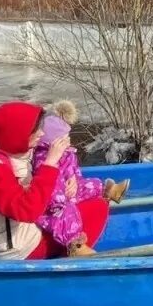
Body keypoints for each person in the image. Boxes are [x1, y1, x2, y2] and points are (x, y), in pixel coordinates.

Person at [0, 101, 94, 260]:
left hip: (24, 230)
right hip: (16, 248)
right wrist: (49, 163)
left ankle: (73, 247)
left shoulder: (17, 151)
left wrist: (72, 179)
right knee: (93, 211)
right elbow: (26, 211)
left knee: (81, 204)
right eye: (36, 130)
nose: (42, 133)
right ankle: (74, 257)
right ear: (18, 133)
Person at [29, 100, 129, 253]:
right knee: (66, 214)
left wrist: (75, 181)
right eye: (65, 138)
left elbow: (73, 172)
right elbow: (52, 189)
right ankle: (75, 245)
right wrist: (61, 201)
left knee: (93, 183)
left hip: (68, 192)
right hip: (53, 205)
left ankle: (110, 191)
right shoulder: (44, 160)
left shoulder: (66, 153)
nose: (69, 140)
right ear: (54, 142)